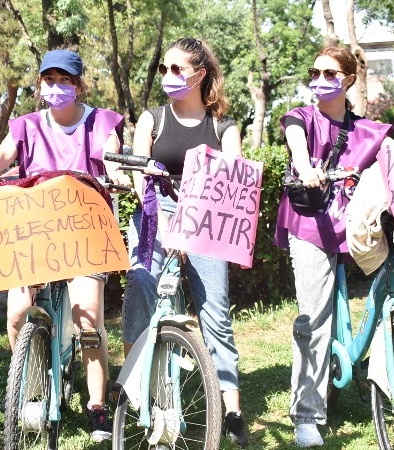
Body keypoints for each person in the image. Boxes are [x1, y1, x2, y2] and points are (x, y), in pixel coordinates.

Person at [0, 49, 128, 442]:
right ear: (39, 84)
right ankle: (26, 380)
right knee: (18, 314)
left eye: (65, 80)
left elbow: (110, 154)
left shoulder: (101, 121)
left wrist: (117, 172)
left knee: (89, 321)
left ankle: (97, 404)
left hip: (83, 232)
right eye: (49, 80)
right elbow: (3, 155)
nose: (56, 87)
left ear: (79, 86)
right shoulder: (27, 125)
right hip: (34, 231)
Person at [122, 37, 250, 447]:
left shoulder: (224, 127)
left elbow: (232, 180)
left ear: (200, 74)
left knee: (216, 311)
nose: (168, 76)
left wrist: (191, 224)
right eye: (165, 68)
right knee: (141, 282)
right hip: (157, 210)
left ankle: (231, 409)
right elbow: (139, 175)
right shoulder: (153, 118)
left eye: (177, 69)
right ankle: (132, 387)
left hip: (206, 217)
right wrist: (163, 222)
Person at [275, 45, 394, 448]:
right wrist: (306, 166)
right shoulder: (303, 117)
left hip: (354, 224)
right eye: (315, 73)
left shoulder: (366, 130)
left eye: (330, 74)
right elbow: (295, 139)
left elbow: (393, 157)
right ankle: (306, 414)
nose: (321, 80)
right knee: (313, 319)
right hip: (311, 224)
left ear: (349, 80)